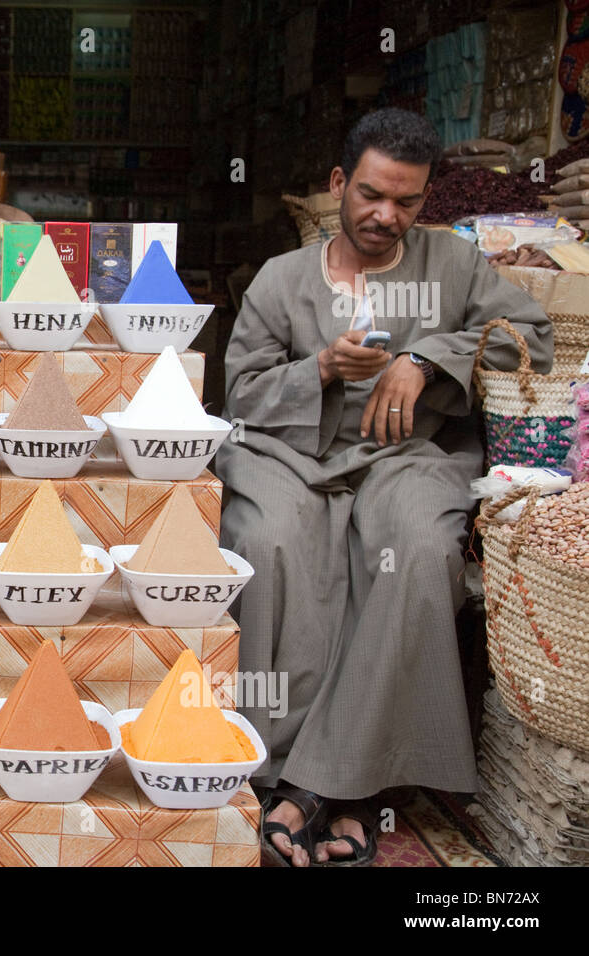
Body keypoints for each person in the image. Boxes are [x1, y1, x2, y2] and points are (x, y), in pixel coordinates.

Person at [216, 108, 553, 867]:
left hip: (410, 452)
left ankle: (329, 787)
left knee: (418, 553)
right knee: (270, 545)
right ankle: (267, 764)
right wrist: (322, 371)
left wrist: (430, 357)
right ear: (339, 184)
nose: (384, 215)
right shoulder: (281, 280)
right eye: (370, 195)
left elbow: (533, 337)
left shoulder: (456, 267)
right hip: (291, 454)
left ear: (426, 200)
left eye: (405, 201)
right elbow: (239, 394)